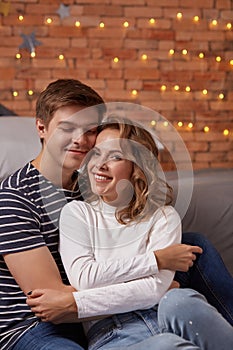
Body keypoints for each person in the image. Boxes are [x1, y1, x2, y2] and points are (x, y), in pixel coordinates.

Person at [0, 79, 232, 350]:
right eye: (68, 128)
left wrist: (156, 285)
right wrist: (153, 284)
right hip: (36, 326)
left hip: (94, 301)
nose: (80, 140)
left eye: (90, 131)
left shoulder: (92, 184)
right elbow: (56, 303)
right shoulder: (14, 197)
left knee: (195, 247)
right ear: (42, 127)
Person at [44, 116, 232, 350]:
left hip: (163, 316)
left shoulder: (164, 217)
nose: (100, 164)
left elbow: (156, 288)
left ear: (137, 168)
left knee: (179, 299)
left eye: (115, 156)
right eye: (96, 153)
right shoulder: (77, 214)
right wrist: (157, 259)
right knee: (167, 344)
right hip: (113, 334)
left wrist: (77, 301)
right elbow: (85, 278)